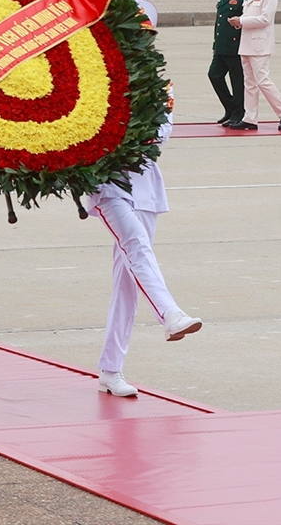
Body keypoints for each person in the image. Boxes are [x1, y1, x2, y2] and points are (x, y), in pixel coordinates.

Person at [88, 76, 202, 399]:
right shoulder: (102, 74)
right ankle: (170, 314)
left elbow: (164, 128)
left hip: (145, 186)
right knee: (137, 247)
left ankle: (110, 370)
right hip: (110, 185)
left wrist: (136, 133)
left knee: (128, 281)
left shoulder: (160, 82)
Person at [228, 0, 281, 130]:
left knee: (263, 81)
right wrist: (239, 22)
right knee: (250, 83)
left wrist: (241, 21)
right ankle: (250, 117)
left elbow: (264, 19)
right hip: (247, 43)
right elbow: (249, 17)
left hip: (260, 45)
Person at [208, 0, 246, 127]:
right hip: (222, 47)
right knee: (214, 75)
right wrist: (215, 46)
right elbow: (219, 23)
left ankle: (238, 113)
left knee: (237, 82)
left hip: (235, 47)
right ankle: (230, 108)